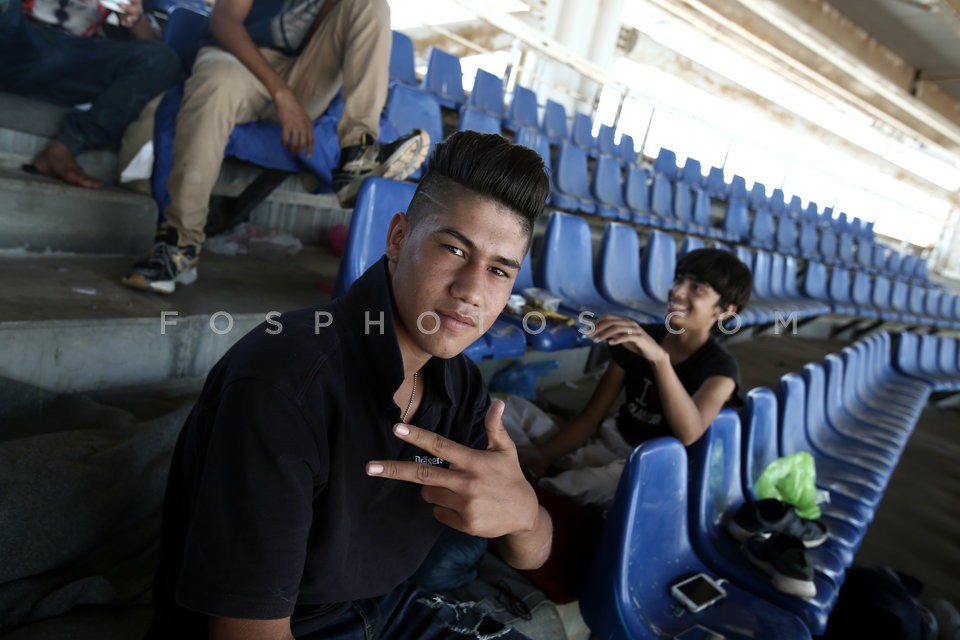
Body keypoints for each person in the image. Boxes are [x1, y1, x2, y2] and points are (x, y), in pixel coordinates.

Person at [146, 131, 553, 639]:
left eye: (498, 270)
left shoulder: (461, 383)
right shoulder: (285, 384)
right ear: (398, 238)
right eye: (453, 248)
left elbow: (534, 553)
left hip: (389, 607)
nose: (472, 290)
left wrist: (525, 514)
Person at [122, 0, 429, 295]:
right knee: (214, 85)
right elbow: (224, 22)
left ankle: (357, 155)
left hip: (302, 73)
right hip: (236, 61)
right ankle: (180, 244)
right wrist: (282, 95)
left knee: (370, 3)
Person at [508, 248, 752, 509]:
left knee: (580, 485)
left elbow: (690, 433)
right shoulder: (638, 338)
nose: (678, 291)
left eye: (697, 288)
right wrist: (544, 454)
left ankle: (534, 494)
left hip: (645, 465)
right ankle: (542, 470)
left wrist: (660, 360)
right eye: (680, 279)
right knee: (507, 410)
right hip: (603, 443)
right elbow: (592, 417)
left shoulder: (721, 370)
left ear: (726, 311)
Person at [0, 0, 181, 188]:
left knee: (162, 59)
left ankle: (67, 145)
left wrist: (135, 20)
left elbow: (153, 41)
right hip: (18, 38)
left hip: (73, 55)